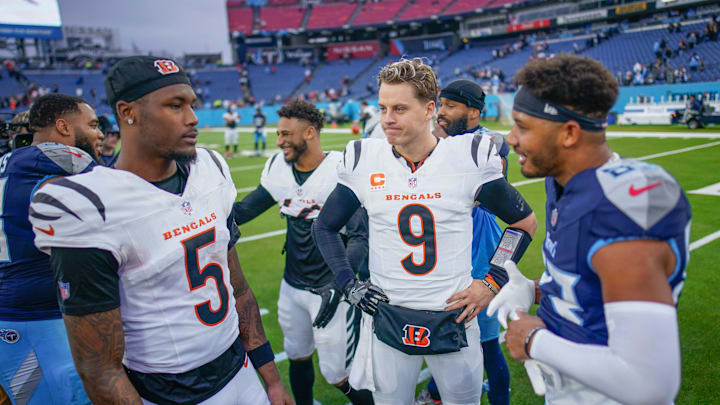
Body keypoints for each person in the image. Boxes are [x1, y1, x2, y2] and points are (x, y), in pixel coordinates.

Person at [28, 56, 293, 405]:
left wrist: (271, 381)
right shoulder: (91, 205)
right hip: (165, 394)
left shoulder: (210, 170)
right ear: (128, 112)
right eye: (175, 105)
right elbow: (98, 365)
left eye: (192, 104)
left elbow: (238, 289)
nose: (193, 118)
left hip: (239, 372)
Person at [312, 58, 537, 405]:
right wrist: (348, 284)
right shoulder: (363, 158)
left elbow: (524, 223)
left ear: (429, 109)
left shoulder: (468, 157)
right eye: (383, 107)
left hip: (454, 317)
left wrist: (491, 281)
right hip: (387, 316)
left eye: (400, 108)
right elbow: (324, 226)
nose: (388, 118)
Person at [488, 54, 689, 405]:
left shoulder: (620, 206)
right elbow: (590, 286)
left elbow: (650, 384)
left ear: (568, 133)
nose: (511, 138)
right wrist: (536, 290)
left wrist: (535, 341)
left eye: (522, 125)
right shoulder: (562, 181)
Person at [232, 100, 373, 405]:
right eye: (278, 133)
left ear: (310, 132)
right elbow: (244, 211)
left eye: (286, 133)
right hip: (292, 285)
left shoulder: (340, 170)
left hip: (331, 287)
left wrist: (341, 286)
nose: (279, 140)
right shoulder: (278, 170)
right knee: (297, 356)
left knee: (339, 374)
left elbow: (360, 237)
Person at [0, 93, 103, 404]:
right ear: (62, 126)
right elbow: (112, 179)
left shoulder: (12, 162)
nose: (99, 133)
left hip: (14, 314)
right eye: (93, 125)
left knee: (28, 395)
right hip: (35, 317)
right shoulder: (51, 158)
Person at [416, 80, 512, 405]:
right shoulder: (445, 143)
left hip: (480, 253)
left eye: (450, 106)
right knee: (447, 332)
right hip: (448, 252)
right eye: (440, 105)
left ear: (473, 111)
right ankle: (436, 392)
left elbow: (465, 197)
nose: (441, 113)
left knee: (486, 344)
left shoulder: (488, 143)